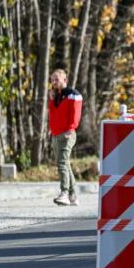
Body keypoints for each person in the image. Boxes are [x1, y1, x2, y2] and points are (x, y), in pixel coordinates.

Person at [48, 67, 83, 206]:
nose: (54, 82)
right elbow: (53, 114)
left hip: (68, 133)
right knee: (65, 163)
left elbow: (76, 113)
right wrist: (51, 100)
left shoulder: (73, 94)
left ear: (64, 80)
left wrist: (71, 128)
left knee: (62, 162)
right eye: (52, 80)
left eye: (56, 79)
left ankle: (64, 193)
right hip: (57, 134)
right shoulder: (56, 96)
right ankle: (73, 195)